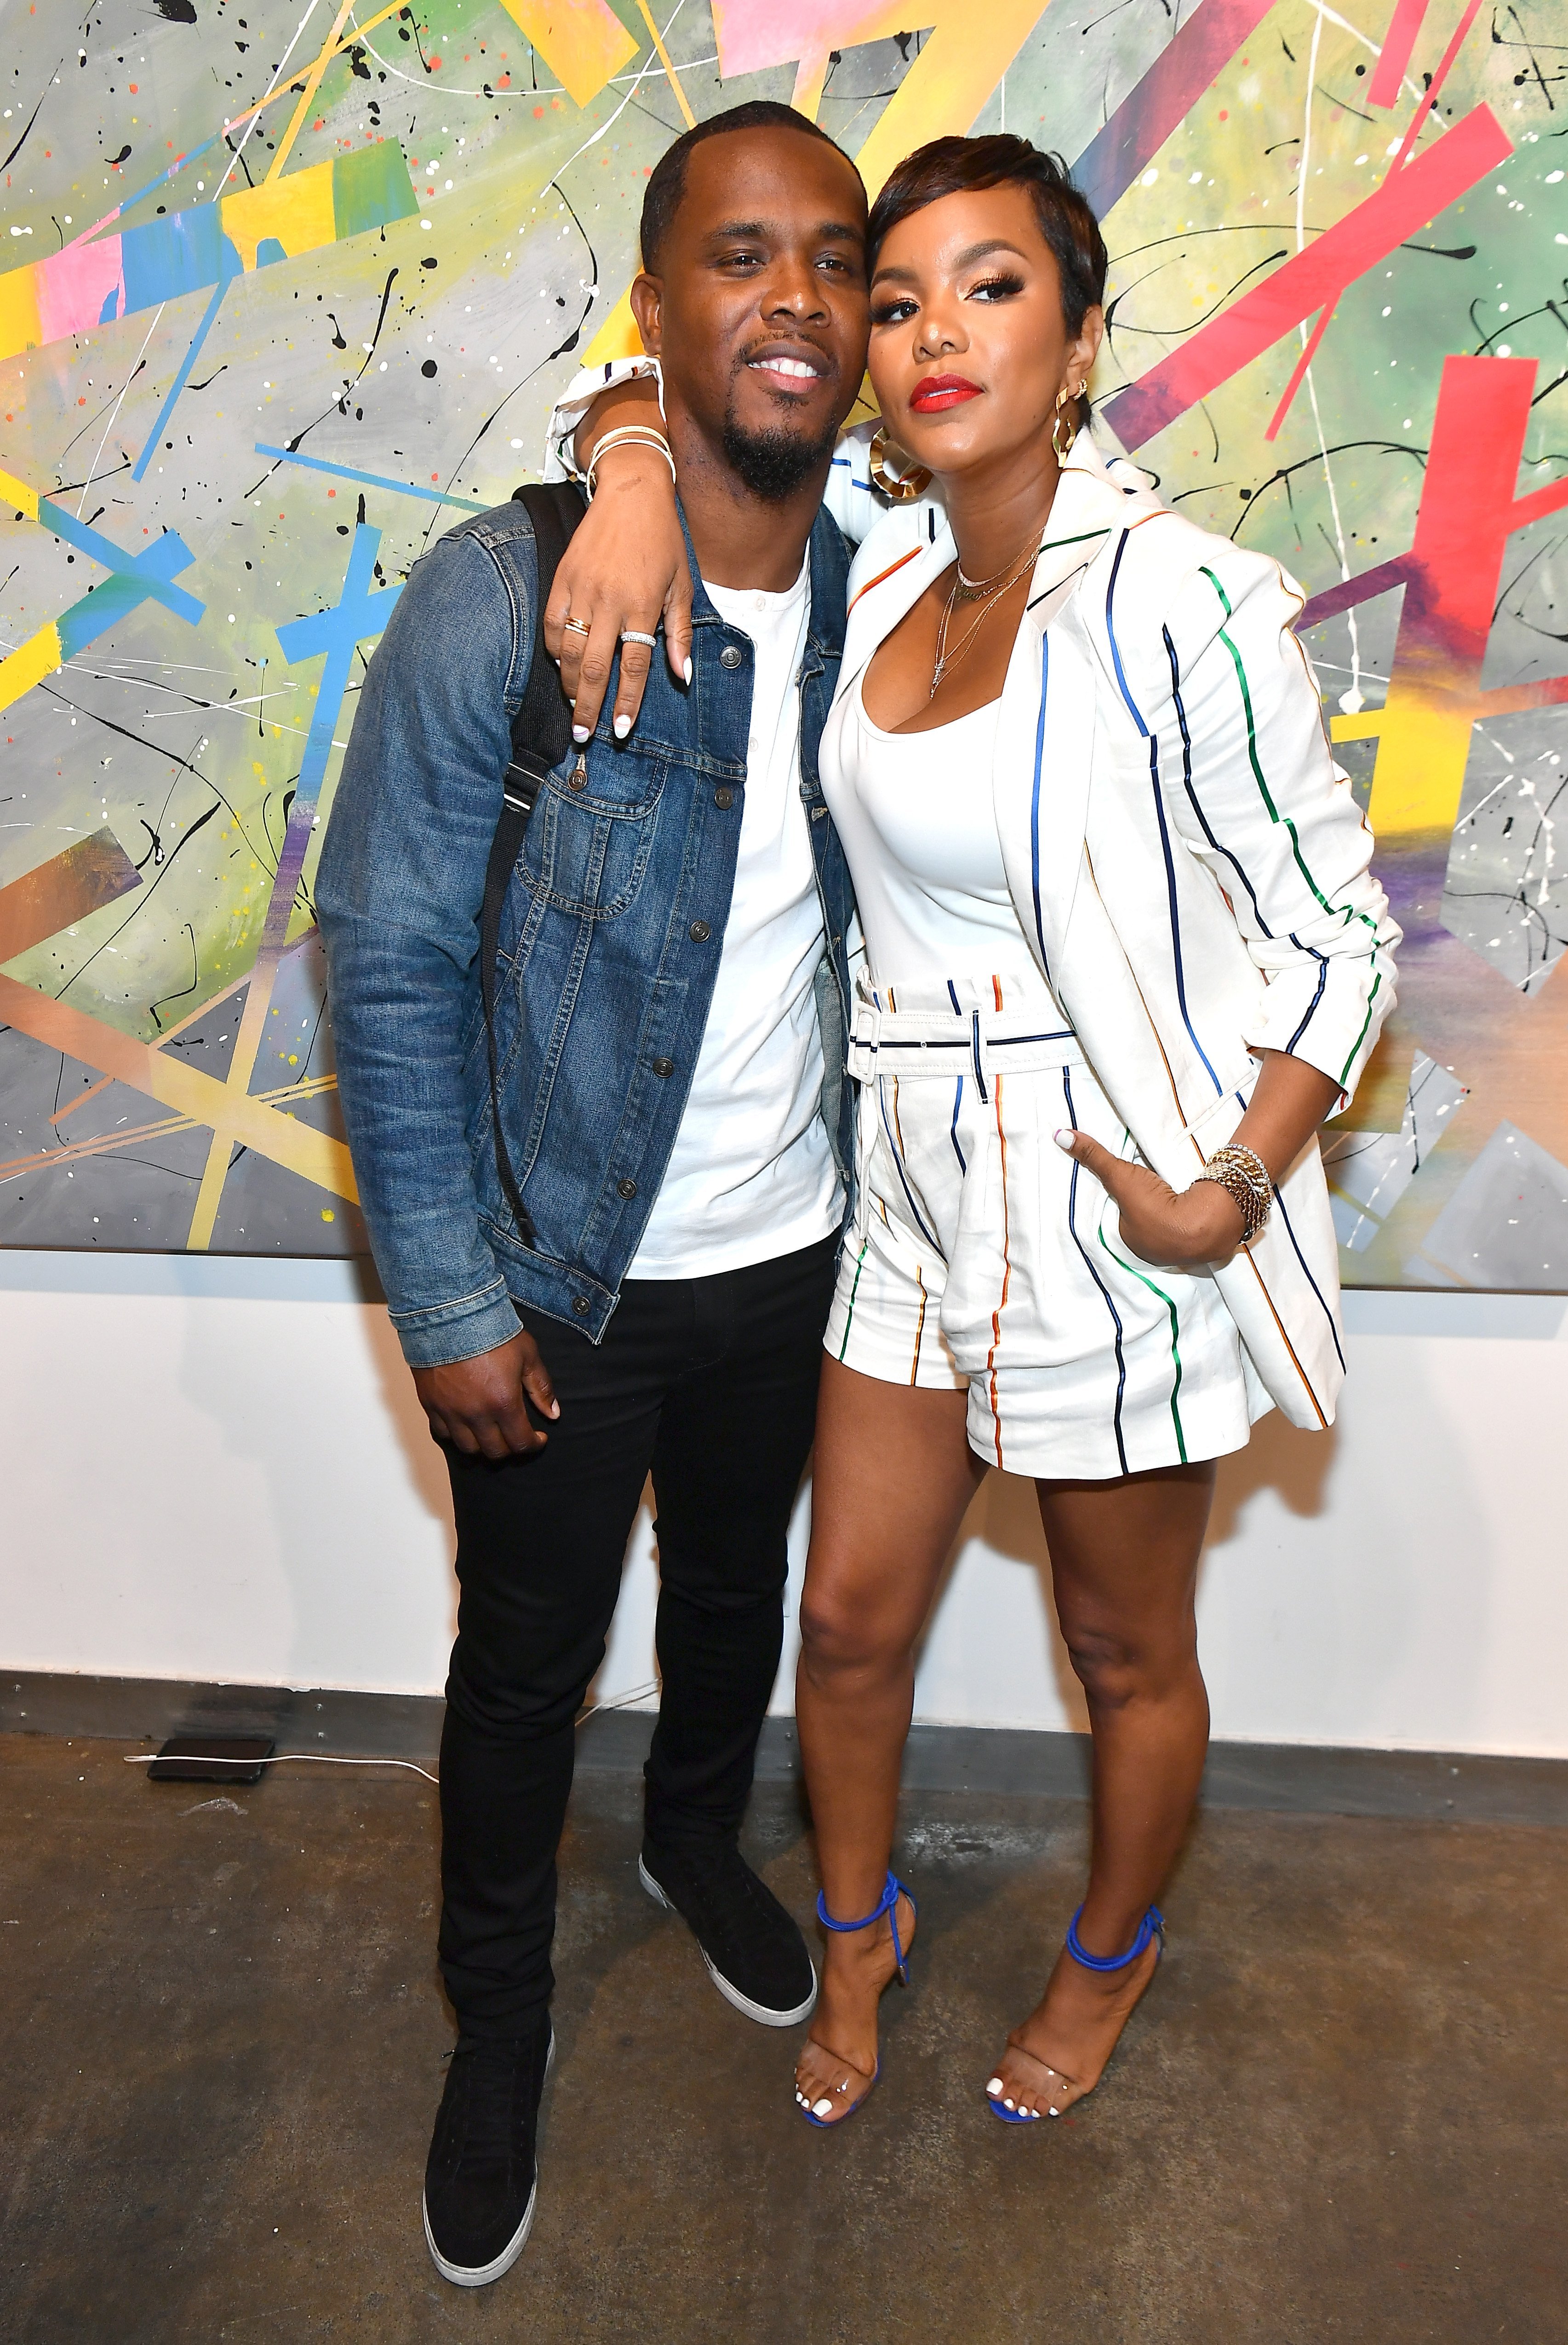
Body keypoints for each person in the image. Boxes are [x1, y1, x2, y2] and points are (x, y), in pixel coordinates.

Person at [549, 135, 1398, 2131]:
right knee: (844, 1619)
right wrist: (631, 460)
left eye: (992, 287)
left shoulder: (1187, 604)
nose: (933, 333)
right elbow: (643, 387)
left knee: (1120, 1646)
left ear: (1083, 338)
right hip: (903, 1175)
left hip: (1114, 1197)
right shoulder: (883, 548)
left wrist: (1234, 1188)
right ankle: (860, 1935)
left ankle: (1110, 1953)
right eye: (902, 295)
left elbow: (1337, 929)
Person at [316, 100, 873, 2287]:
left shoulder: (890, 588)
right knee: (525, 1660)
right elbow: (385, 948)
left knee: (736, 1598)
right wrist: (446, 1294)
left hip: (804, 1253)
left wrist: (641, 443)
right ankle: (499, 2020)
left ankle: (693, 1846)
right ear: (655, 304)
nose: (796, 297)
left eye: (834, 255)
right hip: (561, 1270)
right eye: (740, 256)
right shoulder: (499, 593)